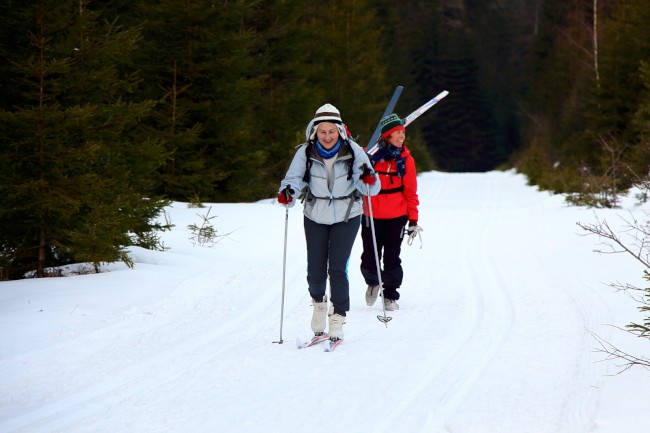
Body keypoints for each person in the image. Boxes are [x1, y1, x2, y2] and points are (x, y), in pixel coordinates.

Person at [277, 103, 380, 342]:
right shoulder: (305, 152)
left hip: (347, 213)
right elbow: (292, 179)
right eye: (322, 131)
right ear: (314, 131)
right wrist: (288, 192)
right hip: (315, 213)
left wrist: (367, 177)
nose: (327, 136)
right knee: (315, 270)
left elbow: (371, 187)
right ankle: (319, 304)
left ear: (340, 130)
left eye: (331, 131)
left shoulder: (353, 151)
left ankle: (338, 317)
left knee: (337, 268)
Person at [360, 113, 422, 311]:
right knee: (369, 256)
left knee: (392, 257)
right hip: (371, 213)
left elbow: (411, 192)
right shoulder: (369, 155)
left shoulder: (406, 160)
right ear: (386, 136)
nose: (401, 136)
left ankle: (390, 295)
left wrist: (413, 219)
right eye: (396, 132)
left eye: (402, 132)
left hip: (397, 215)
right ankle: (373, 281)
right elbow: (350, 152)